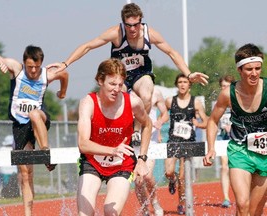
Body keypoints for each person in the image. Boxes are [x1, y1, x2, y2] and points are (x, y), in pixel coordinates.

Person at [47, 2, 208, 143]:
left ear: (141, 21)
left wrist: (188, 74)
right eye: (128, 25)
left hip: (141, 73)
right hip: (120, 75)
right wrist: (65, 63)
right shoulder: (116, 33)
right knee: (117, 95)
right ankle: (113, 129)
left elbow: (172, 52)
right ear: (123, 23)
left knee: (146, 92)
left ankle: (137, 130)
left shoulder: (149, 34)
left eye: (136, 25)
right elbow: (88, 46)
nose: (132, 29)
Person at [0, 45, 68, 216]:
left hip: (39, 121)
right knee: (25, 173)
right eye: (30, 67)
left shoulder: (46, 75)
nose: (34, 71)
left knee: (34, 113)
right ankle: (28, 214)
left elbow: (64, 74)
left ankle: (45, 152)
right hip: (20, 126)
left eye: (37, 67)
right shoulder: (17, 69)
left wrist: (62, 92)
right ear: (24, 63)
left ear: (41, 64)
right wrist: (1, 62)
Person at [76, 58, 152, 215]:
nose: (116, 89)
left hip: (121, 164)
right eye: (112, 84)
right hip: (93, 162)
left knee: (111, 212)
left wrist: (142, 159)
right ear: (100, 80)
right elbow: (83, 144)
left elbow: (147, 124)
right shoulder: (88, 103)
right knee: (84, 214)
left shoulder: (133, 102)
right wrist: (112, 150)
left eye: (120, 84)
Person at [203, 43, 267, 215]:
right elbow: (212, 121)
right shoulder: (228, 94)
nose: (254, 73)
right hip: (240, 151)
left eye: (257, 68)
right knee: (242, 204)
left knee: (255, 211)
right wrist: (211, 148)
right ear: (239, 70)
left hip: (265, 155)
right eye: (249, 69)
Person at [165, 74, 208, 215]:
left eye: (185, 82)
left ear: (189, 85)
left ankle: (181, 204)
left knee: (183, 178)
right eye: (180, 82)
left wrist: (199, 124)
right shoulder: (169, 101)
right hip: (173, 141)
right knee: (169, 171)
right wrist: (158, 125)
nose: (182, 84)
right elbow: (162, 115)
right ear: (177, 85)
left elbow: (207, 121)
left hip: (188, 142)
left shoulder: (195, 102)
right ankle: (172, 180)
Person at [134, 86, 169, 216]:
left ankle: (154, 201)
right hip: (134, 141)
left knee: (147, 175)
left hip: (150, 140)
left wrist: (160, 121)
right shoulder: (128, 92)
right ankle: (144, 210)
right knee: (138, 180)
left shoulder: (156, 93)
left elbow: (165, 113)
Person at [217, 75, 235, 208]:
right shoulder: (219, 102)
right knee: (224, 166)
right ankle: (226, 197)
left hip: (238, 138)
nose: (224, 89)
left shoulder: (238, 100)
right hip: (222, 138)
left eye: (227, 86)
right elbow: (212, 120)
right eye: (222, 86)